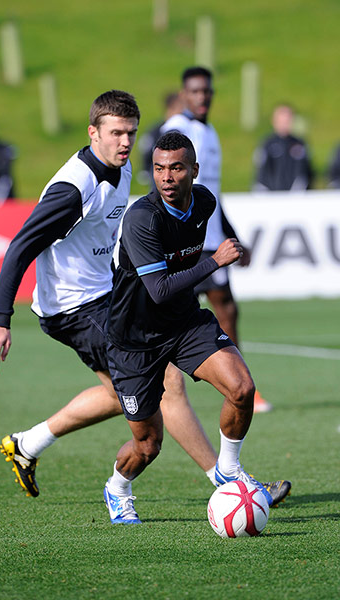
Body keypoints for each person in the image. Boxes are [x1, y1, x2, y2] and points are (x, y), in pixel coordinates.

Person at [0, 90, 289, 508]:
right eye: (116, 133)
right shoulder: (74, 188)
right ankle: (230, 485)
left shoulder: (121, 170)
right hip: (72, 308)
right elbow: (20, 246)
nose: (125, 142)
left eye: (131, 132)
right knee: (166, 382)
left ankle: (27, 444)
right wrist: (0, 319)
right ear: (94, 133)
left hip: (107, 296)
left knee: (119, 393)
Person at [104, 132, 285, 524]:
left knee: (242, 389)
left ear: (194, 171)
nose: (166, 177)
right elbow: (159, 288)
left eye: (176, 168)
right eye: (158, 168)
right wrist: (214, 262)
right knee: (148, 444)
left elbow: (177, 286)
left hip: (184, 323)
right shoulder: (142, 219)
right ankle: (117, 488)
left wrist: (208, 263)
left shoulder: (204, 202)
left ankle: (230, 471)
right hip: (135, 339)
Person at [160, 66, 272, 414]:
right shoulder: (176, 130)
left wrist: (233, 236)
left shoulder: (209, 133)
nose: (202, 97)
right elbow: (164, 186)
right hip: (187, 242)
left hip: (212, 239)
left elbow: (212, 196)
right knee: (168, 315)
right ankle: (162, 390)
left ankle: (240, 386)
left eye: (207, 91)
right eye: (195, 91)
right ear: (184, 94)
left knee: (226, 307)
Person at [253, 103, 314, 191]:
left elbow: (306, 172)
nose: (285, 124)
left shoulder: (299, 144)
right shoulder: (267, 144)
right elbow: (261, 173)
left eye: (287, 120)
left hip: (296, 198)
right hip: (272, 197)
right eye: (281, 121)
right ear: (274, 121)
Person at [137, 91, 183, 185]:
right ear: (172, 108)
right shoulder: (158, 130)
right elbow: (146, 149)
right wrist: (146, 169)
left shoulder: (185, 127)